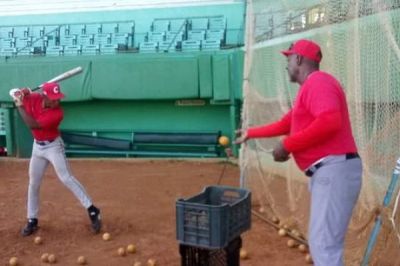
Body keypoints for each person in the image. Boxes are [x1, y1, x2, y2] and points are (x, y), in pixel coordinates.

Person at [235, 39, 362, 266]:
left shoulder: (318, 82)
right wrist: (250, 133)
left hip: (334, 170)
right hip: (331, 171)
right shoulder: (310, 88)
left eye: (289, 57)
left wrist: (287, 145)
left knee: (324, 245)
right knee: (323, 243)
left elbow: (330, 121)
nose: (286, 63)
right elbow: (287, 123)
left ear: (299, 59)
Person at [10, 82, 102, 236]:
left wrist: (19, 105)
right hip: (37, 147)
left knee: (66, 178)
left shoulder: (57, 113)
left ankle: (93, 210)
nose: (56, 101)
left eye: (58, 98)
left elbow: (32, 125)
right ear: (44, 96)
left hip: (53, 147)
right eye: (53, 98)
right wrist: (21, 92)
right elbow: (13, 91)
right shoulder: (33, 98)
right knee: (33, 183)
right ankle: (32, 220)